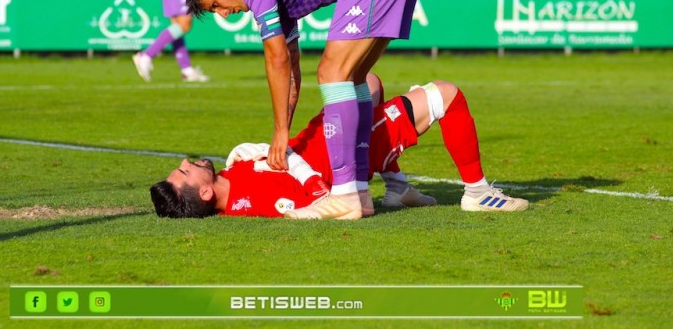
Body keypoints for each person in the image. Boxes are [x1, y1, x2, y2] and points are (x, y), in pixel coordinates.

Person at [184, 0, 424, 220]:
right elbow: (292, 70)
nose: (223, 15)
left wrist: (280, 133)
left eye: (215, 5)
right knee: (353, 77)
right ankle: (360, 193)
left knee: (331, 73)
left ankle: (346, 195)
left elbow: (277, 60)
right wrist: (283, 138)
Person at [150, 74, 529, 218]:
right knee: (446, 95)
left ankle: (397, 189)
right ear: (202, 190)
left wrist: (247, 150)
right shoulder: (253, 203)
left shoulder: (231, 181)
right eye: (184, 170)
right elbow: (311, 199)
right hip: (345, 148)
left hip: (325, 131)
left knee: (370, 81)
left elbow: (271, 157)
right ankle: (477, 192)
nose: (185, 161)